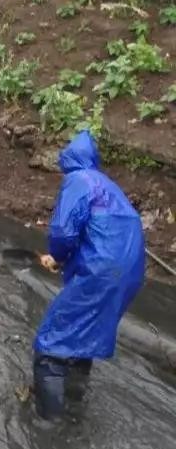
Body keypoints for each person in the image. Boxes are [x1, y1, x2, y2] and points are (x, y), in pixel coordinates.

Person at [33, 131, 145, 420]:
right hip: (130, 273)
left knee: (51, 345)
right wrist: (67, 261)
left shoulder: (77, 180)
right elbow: (101, 234)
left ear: (67, 159)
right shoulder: (108, 186)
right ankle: (74, 408)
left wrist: (56, 257)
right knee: (84, 336)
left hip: (102, 270)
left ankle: (49, 428)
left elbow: (64, 231)